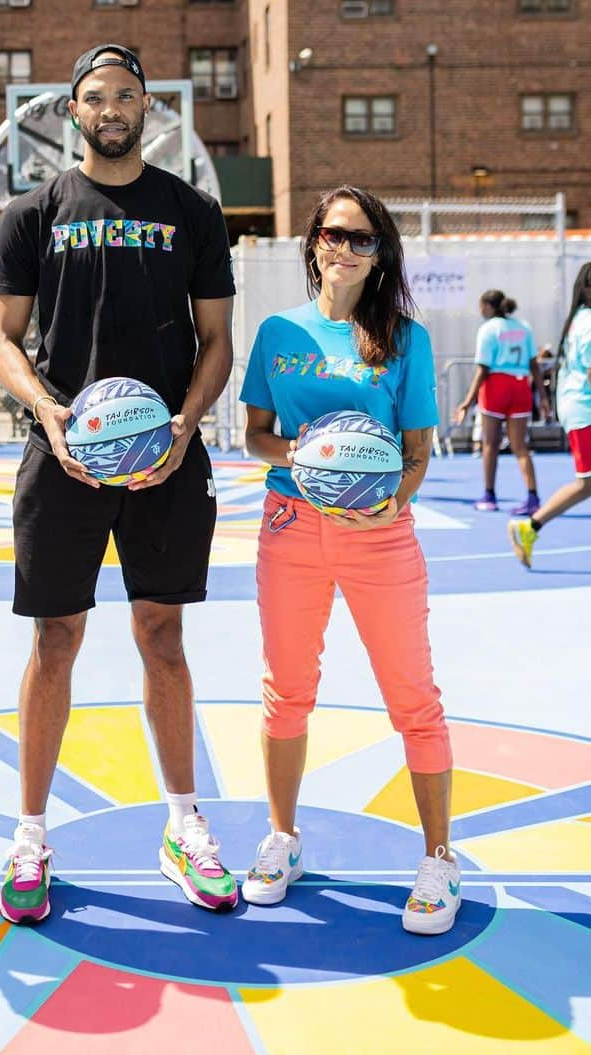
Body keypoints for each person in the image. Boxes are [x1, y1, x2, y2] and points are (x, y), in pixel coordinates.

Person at [0, 44, 237, 923]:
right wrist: (49, 415)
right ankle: (29, 835)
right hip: (63, 454)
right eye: (95, 97)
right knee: (55, 640)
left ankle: (183, 825)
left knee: (161, 634)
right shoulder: (33, 212)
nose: (111, 108)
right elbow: (2, 342)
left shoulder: (193, 211)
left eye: (126, 95)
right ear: (72, 111)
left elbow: (217, 344)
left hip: (165, 455)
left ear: (147, 109)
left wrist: (186, 423)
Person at [240, 186, 460, 935]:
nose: (345, 248)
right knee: (287, 691)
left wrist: (388, 503)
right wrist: (303, 454)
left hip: (377, 534)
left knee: (413, 697)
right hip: (292, 525)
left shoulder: (405, 339)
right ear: (313, 243)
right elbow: (256, 435)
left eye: (363, 240)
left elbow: (418, 451)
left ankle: (438, 858)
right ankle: (283, 839)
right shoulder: (277, 332)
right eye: (334, 234)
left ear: (380, 255)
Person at [508, 262, 591, 567]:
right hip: (585, 410)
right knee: (585, 482)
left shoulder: (579, 319)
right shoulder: (589, 323)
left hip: (578, 408)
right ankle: (529, 526)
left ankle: (530, 527)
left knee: (587, 484)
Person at [452, 289, 549, 514]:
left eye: (481, 306)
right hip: (520, 386)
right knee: (520, 447)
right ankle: (533, 497)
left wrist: (467, 401)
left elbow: (483, 368)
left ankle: (489, 495)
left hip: (496, 386)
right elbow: (534, 363)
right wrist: (543, 398)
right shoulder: (524, 327)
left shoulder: (488, 329)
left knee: (490, 444)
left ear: (488, 306)